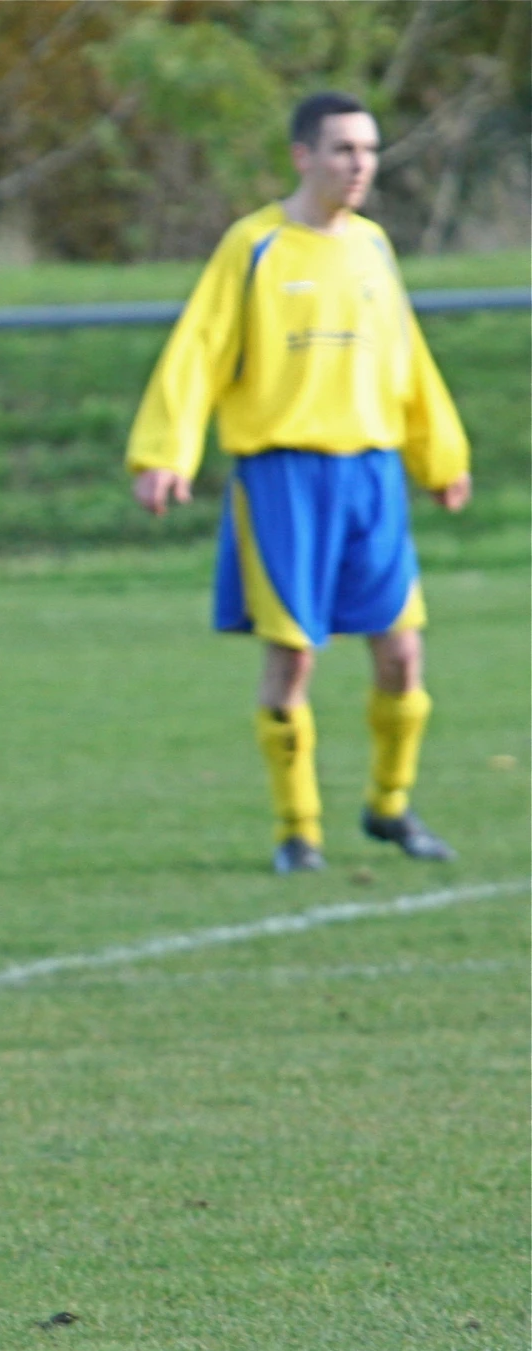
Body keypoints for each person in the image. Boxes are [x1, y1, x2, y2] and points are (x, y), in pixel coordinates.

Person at [127, 91, 470, 876]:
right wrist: (166, 453)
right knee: (294, 660)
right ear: (302, 156)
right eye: (344, 150)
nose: (360, 166)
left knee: (403, 654)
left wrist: (438, 456)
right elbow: (199, 350)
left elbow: (407, 359)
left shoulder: (375, 248)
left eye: (371, 151)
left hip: (373, 475)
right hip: (283, 477)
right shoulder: (253, 246)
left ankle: (389, 806)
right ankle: (298, 830)